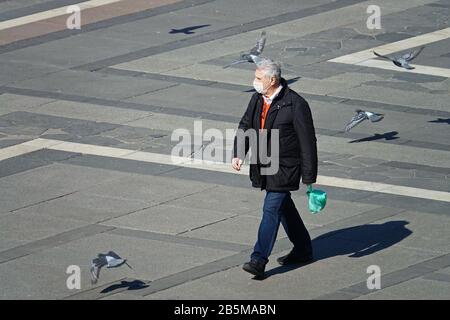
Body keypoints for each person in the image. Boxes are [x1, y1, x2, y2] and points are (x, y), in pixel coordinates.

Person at [231, 58, 318, 278]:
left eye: (259, 78)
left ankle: (258, 260)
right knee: (283, 207)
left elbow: (307, 142)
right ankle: (303, 248)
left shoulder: (295, 104)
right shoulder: (257, 99)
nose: (255, 81)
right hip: (263, 163)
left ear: (272, 80)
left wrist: (308, 176)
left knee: (271, 208)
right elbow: (245, 125)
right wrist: (239, 153)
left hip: (285, 166)